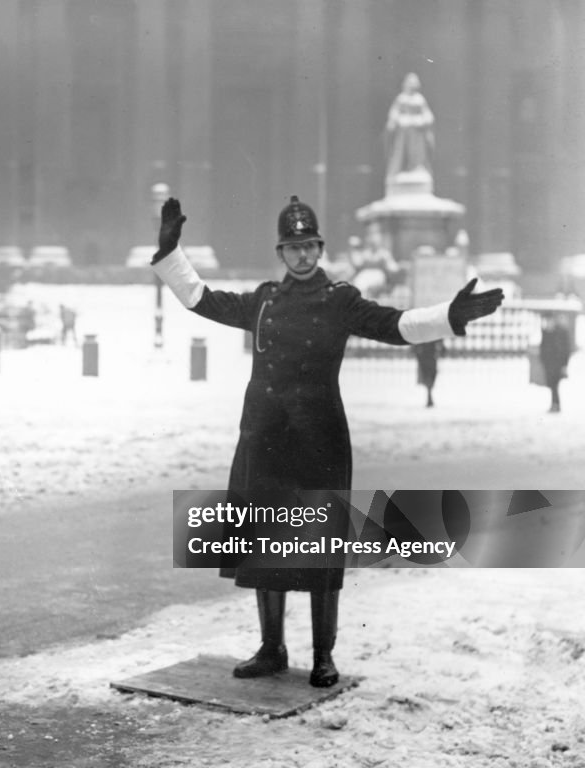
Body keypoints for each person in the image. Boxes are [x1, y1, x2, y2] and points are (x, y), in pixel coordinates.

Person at [150, 194, 504, 687]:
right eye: (292, 247)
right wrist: (171, 255)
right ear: (281, 252)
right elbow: (202, 300)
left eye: (309, 246)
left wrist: (450, 316)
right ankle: (272, 648)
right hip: (265, 438)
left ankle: (323, 656)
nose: (301, 255)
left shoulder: (340, 300)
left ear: (320, 248)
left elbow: (394, 324)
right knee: (263, 547)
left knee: (318, 550)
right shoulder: (263, 301)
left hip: (318, 441)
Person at [386, 73, 435, 181]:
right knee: (401, 152)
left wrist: (421, 121)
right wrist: (398, 120)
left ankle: (416, 168)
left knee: (417, 153)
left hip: (417, 133)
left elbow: (428, 115)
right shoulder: (401, 99)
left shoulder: (419, 99)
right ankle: (400, 170)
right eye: (410, 83)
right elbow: (394, 113)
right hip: (403, 133)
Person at [539, 313, 571, 413]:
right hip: (549, 364)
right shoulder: (546, 333)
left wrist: (564, 365)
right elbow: (543, 348)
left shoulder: (559, 333)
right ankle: (554, 404)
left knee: (554, 385)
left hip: (557, 365)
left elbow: (564, 351)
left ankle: (556, 405)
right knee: (552, 385)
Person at [413, 340, 444, 407]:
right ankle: (429, 396)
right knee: (427, 377)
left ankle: (429, 396)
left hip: (431, 355)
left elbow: (440, 342)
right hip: (425, 356)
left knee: (431, 376)